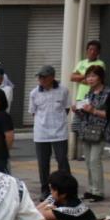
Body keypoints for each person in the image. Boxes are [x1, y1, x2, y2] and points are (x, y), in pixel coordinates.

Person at [29, 65, 71, 196]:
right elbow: (33, 112)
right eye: (39, 77)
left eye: (43, 77)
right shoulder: (34, 93)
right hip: (41, 133)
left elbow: (67, 108)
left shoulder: (64, 90)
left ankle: (66, 189)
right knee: (43, 163)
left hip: (60, 133)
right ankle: (45, 190)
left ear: (52, 77)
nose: (41, 80)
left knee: (62, 161)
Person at [74, 65, 110, 202]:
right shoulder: (89, 93)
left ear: (100, 77)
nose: (90, 79)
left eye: (93, 76)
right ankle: (91, 189)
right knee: (88, 162)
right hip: (87, 130)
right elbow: (85, 115)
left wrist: (93, 111)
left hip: (101, 131)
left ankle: (98, 191)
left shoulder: (109, 93)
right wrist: (78, 110)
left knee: (94, 161)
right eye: (88, 76)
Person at [69, 39, 105, 160]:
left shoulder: (100, 64)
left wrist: (82, 78)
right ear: (86, 51)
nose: (92, 51)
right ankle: (81, 151)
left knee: (91, 124)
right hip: (81, 97)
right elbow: (72, 77)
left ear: (98, 52)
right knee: (78, 125)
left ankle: (89, 151)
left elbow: (91, 80)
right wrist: (86, 76)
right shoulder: (82, 62)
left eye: (95, 50)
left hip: (93, 98)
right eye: (90, 49)